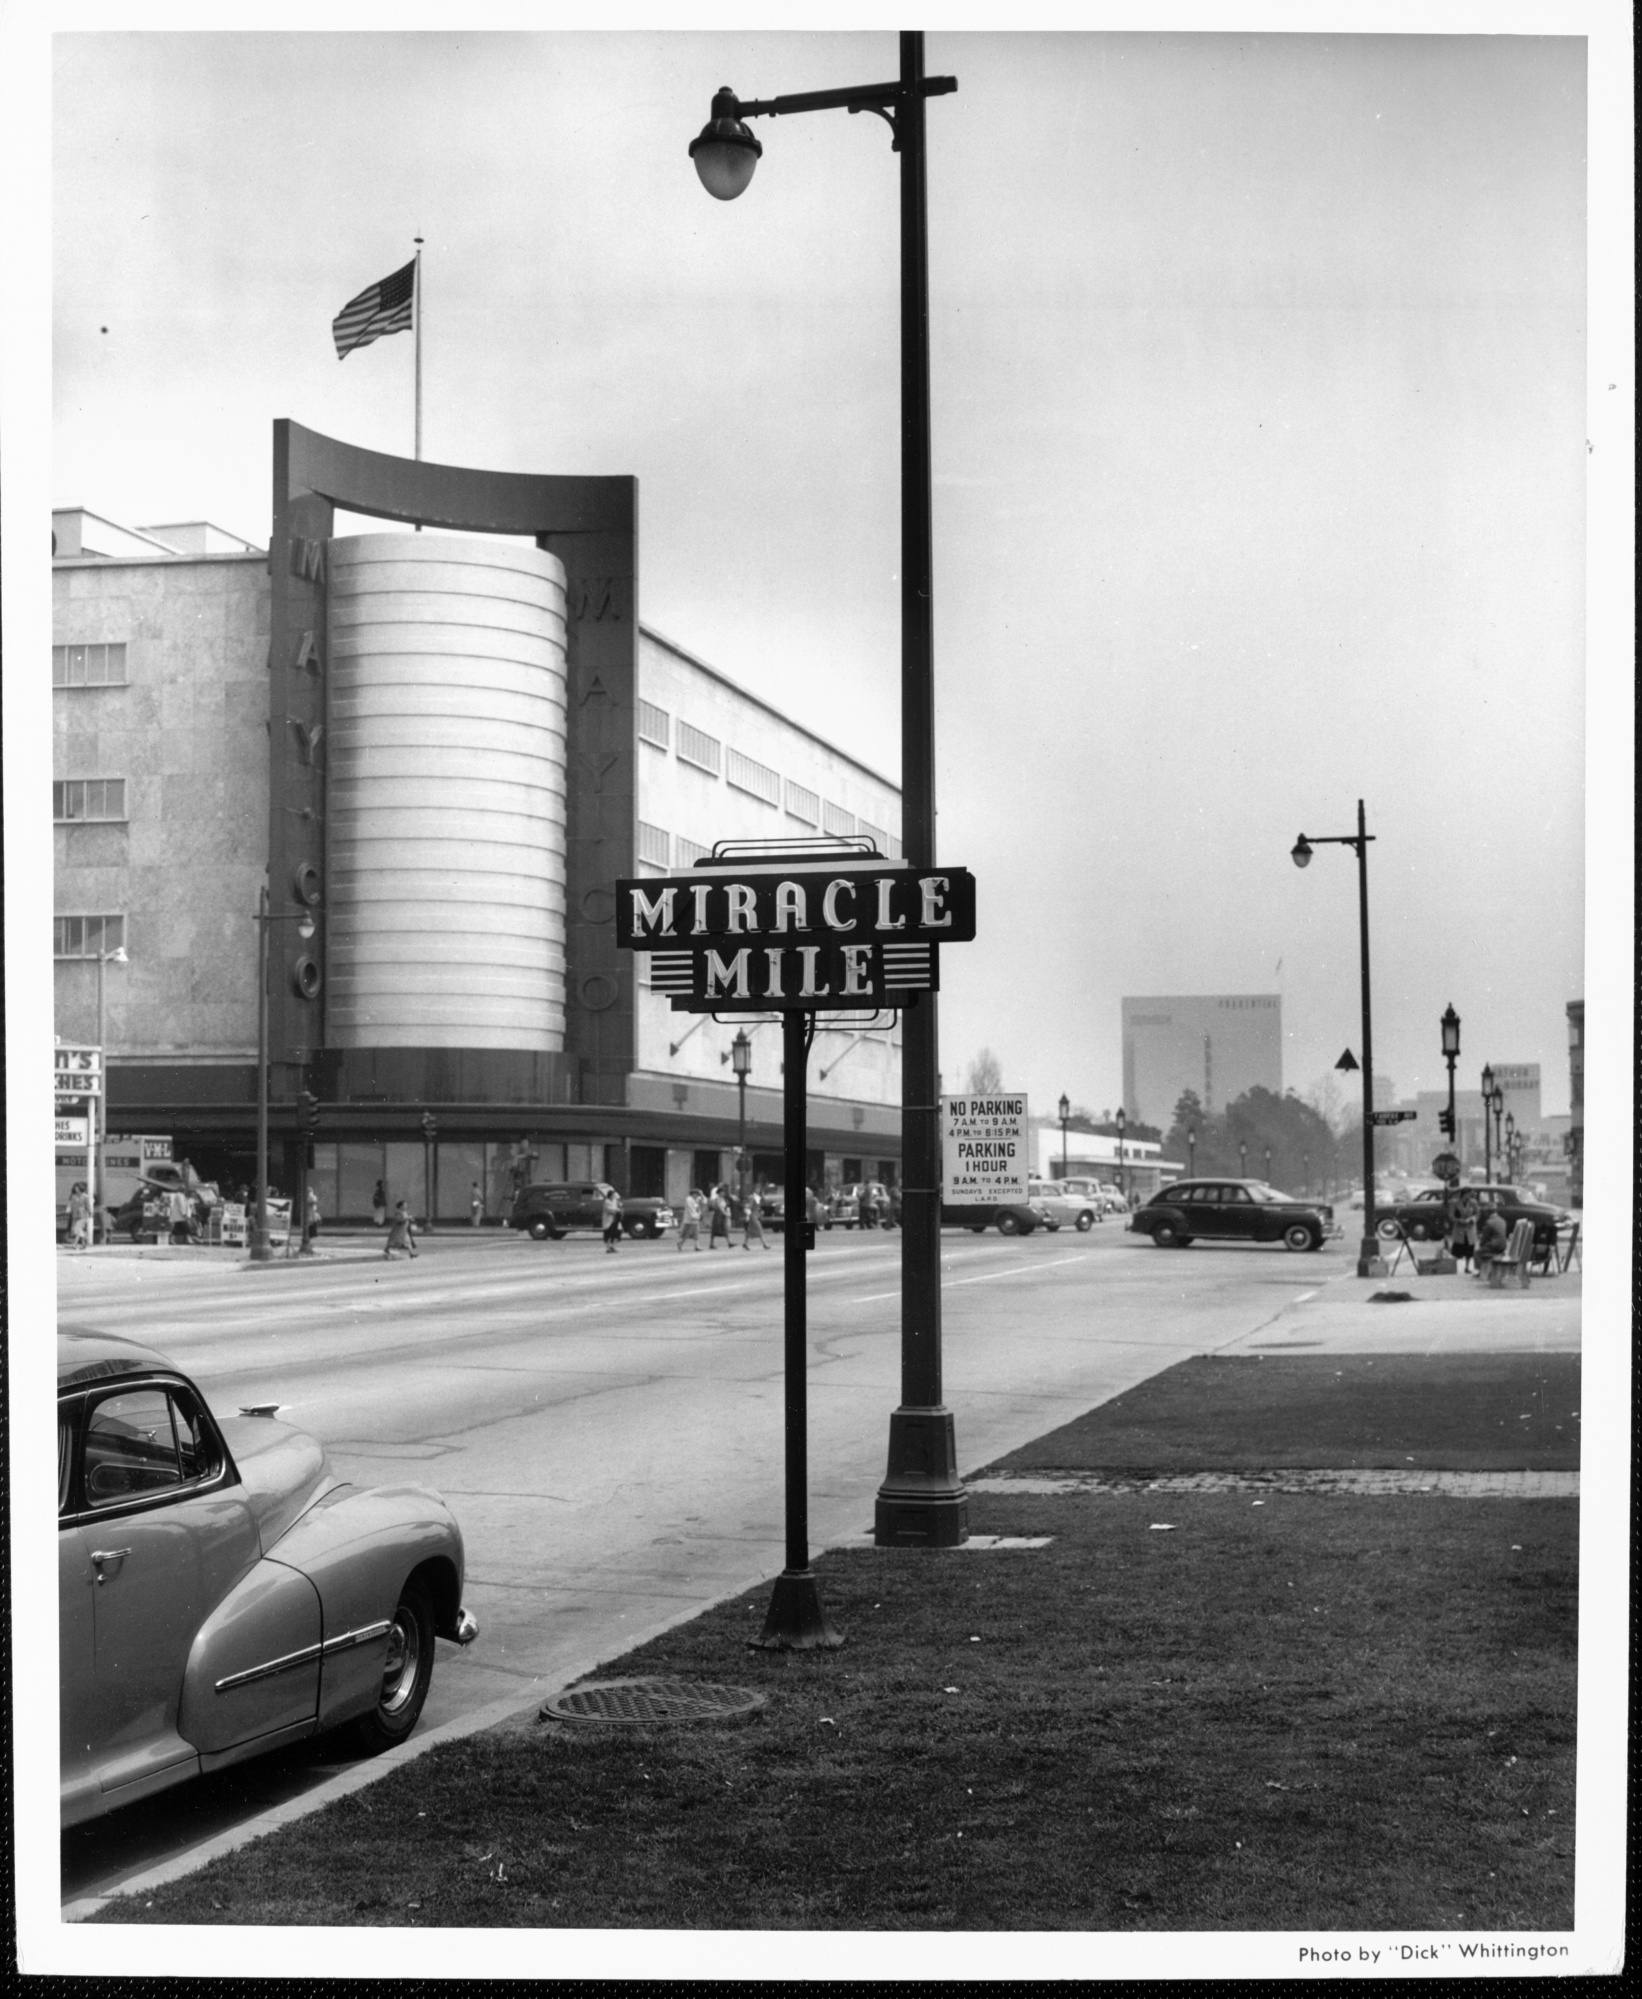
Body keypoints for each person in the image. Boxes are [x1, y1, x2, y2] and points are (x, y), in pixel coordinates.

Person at [1446, 1186, 1479, 1272]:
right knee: (1457, 1248)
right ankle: (1453, 1267)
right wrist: (1458, 1220)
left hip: (1470, 1228)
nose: (1469, 1196)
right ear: (1463, 1194)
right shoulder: (1455, 1203)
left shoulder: (1473, 1203)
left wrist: (1471, 1219)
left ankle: (1467, 1267)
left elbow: (1477, 1214)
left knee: (1469, 1248)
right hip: (1459, 1228)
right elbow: (1451, 1215)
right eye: (1468, 1194)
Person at [1474, 1201, 1508, 1278]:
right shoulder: (1502, 1220)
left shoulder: (1489, 1222)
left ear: (1488, 1212)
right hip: (1503, 1246)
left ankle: (1481, 1271)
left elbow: (1484, 1238)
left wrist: (1481, 1245)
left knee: (1477, 1253)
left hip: (1494, 1247)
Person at [67, 1181, 92, 1250]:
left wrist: (90, 1213)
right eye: (75, 1188)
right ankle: (84, 1242)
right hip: (75, 1215)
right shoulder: (73, 1196)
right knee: (77, 1230)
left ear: (81, 1188)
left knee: (77, 1229)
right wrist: (69, 1209)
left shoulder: (85, 1196)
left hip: (83, 1215)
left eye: (77, 1188)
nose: (76, 1189)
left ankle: (75, 1244)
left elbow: (88, 1206)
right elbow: (70, 1204)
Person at [601, 1185, 624, 1253]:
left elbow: (620, 1206)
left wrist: (619, 1206)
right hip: (609, 1221)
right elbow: (609, 1210)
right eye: (613, 1195)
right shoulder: (607, 1201)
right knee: (609, 1234)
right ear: (610, 1195)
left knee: (617, 1233)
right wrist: (618, 1210)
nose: (614, 1196)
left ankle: (613, 1247)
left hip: (616, 1220)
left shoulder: (615, 1201)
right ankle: (608, 1248)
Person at [707, 1185, 731, 1249]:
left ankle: (729, 1243)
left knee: (724, 1229)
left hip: (722, 1216)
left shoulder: (723, 1199)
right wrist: (726, 1214)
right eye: (722, 1192)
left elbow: (725, 1207)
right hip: (718, 1215)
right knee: (715, 1230)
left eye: (724, 1192)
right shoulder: (717, 1199)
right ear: (719, 1193)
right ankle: (711, 1244)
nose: (723, 1194)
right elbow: (720, 1208)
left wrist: (727, 1212)